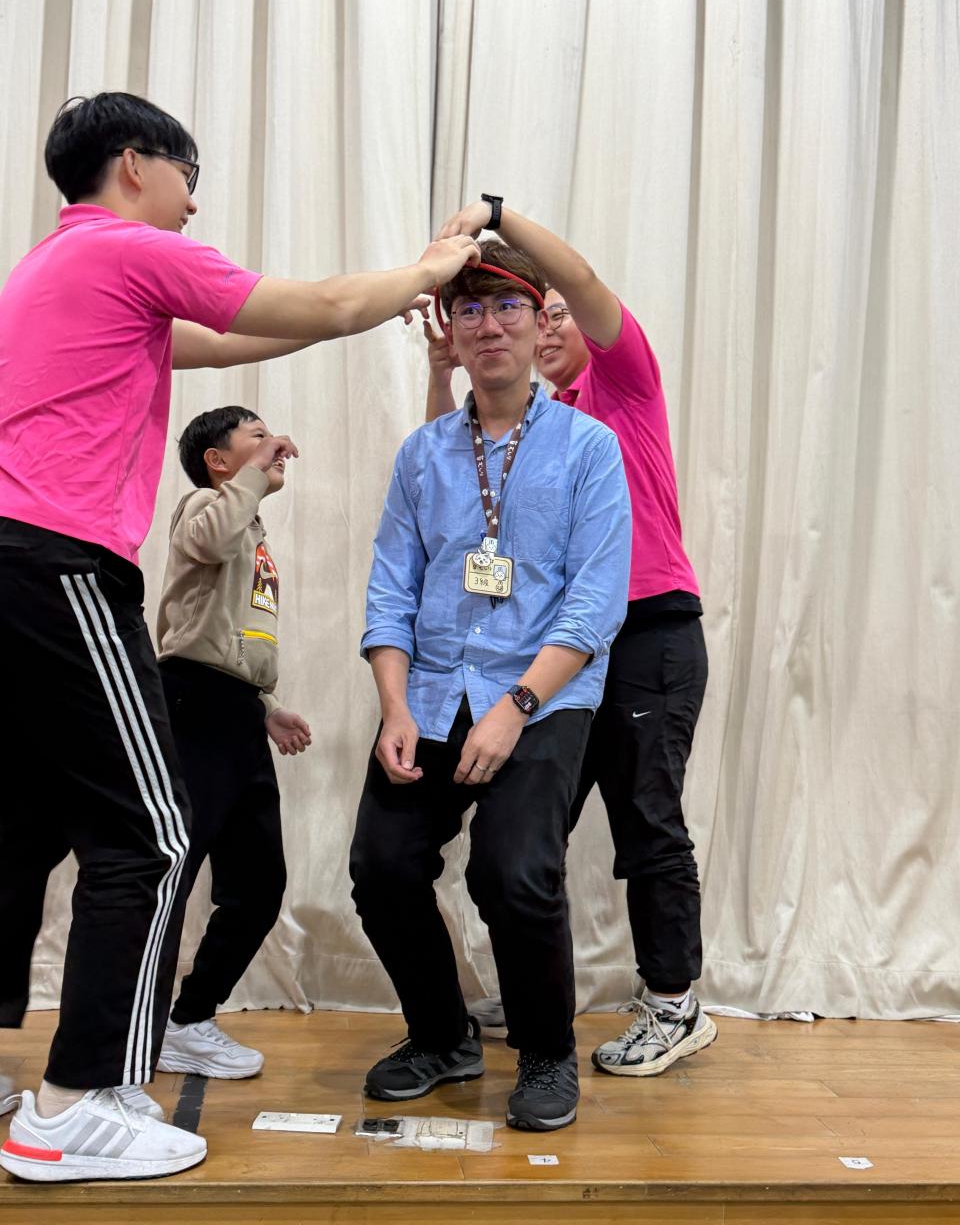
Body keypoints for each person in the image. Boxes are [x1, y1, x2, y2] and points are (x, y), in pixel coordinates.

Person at [0, 90, 478, 1183]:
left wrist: (381, 301)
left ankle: (70, 1084)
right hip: (58, 562)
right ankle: (73, 1105)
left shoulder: (51, 270)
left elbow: (228, 340)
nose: (193, 200)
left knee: (23, 828)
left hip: (15, 567)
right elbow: (319, 302)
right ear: (135, 164)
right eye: (188, 175)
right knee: (151, 834)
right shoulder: (124, 249)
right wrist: (431, 268)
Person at [425, 198, 714, 1078]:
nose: (546, 327)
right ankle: (533, 989)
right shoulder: (535, 427)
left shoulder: (625, 386)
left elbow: (580, 281)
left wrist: (495, 214)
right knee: (516, 839)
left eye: (554, 313)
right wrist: (443, 368)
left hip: (647, 632)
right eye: (533, 314)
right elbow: (448, 478)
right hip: (555, 654)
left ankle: (675, 1004)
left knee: (646, 820)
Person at [349, 240, 631, 1131]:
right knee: (381, 868)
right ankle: (442, 1036)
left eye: (507, 306)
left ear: (541, 321)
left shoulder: (590, 448)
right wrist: (395, 707)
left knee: (513, 871)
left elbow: (594, 602)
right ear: (451, 331)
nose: (489, 326)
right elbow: (391, 590)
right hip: (432, 691)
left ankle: (546, 1052)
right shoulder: (422, 454)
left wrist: (515, 708)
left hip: (542, 696)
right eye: (468, 309)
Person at [133, 406, 309, 1088]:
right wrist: (252, 479)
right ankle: (135, 1030)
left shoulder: (251, 529)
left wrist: (264, 707)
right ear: (217, 460)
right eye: (257, 436)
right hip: (192, 706)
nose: (275, 445)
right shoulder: (205, 507)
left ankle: (187, 1021)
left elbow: (231, 634)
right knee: (171, 877)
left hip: (236, 712)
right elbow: (206, 546)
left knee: (259, 884)